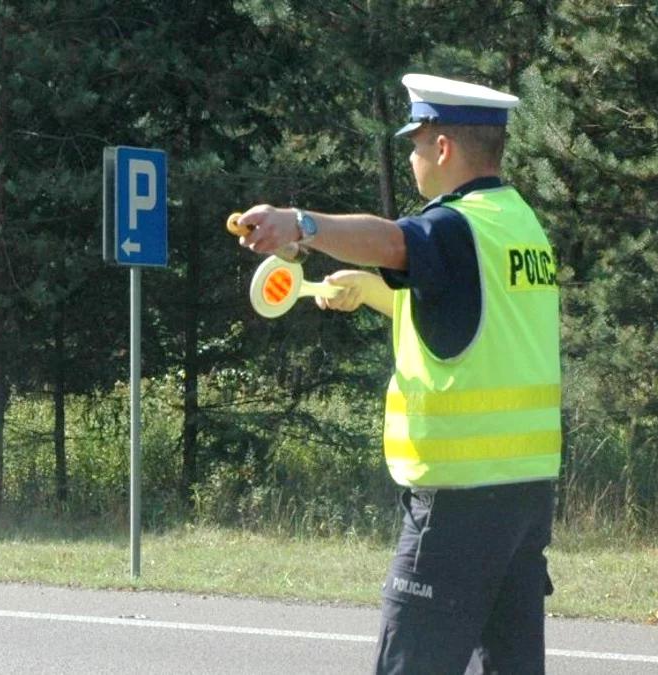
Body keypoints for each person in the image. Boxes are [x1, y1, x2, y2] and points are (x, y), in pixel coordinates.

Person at [237, 73, 562, 675]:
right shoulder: (518, 226)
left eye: (415, 145)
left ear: (442, 148)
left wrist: (301, 225)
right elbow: (486, 322)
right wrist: (377, 295)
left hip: (457, 504)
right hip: (524, 497)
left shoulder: (453, 225)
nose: (411, 158)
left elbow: (392, 241)